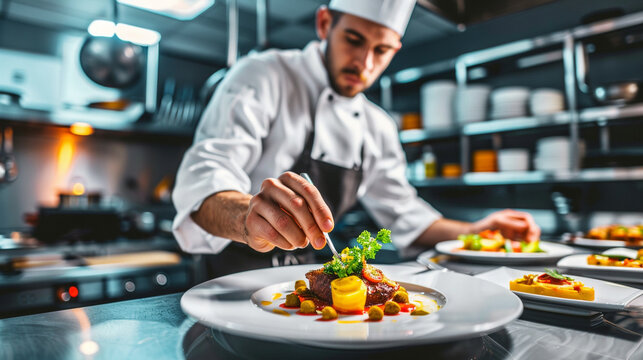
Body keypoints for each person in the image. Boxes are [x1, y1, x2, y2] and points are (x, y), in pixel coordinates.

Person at [172, 0, 540, 273]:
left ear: (394, 50)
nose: (364, 64)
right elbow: (206, 176)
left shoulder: (376, 125)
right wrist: (246, 218)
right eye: (353, 39)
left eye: (380, 51)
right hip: (228, 280)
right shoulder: (263, 75)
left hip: (303, 285)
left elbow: (406, 214)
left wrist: (473, 230)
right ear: (324, 23)